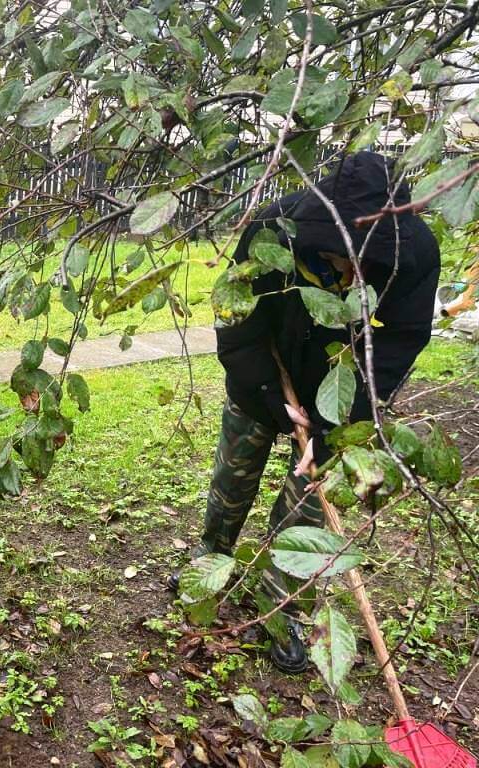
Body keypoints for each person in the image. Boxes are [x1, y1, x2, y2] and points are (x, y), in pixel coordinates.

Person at [168, 151, 440, 673]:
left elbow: (397, 348)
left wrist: (336, 427)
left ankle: (282, 603)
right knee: (235, 471)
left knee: (310, 502)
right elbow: (235, 317)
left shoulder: (416, 254)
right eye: (343, 252)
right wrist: (271, 394)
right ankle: (210, 553)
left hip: (342, 392)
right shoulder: (276, 227)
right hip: (262, 375)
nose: (351, 265)